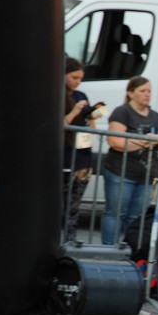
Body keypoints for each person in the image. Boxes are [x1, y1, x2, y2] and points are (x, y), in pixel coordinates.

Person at [102, 76, 158, 246]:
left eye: (149, 91)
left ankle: (129, 252)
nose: (147, 94)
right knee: (116, 213)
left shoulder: (156, 116)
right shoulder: (122, 112)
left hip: (147, 176)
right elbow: (116, 142)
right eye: (142, 91)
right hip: (121, 172)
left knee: (136, 217)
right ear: (130, 93)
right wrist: (145, 140)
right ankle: (108, 251)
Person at [63, 57, 98, 244]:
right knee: (61, 201)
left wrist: (92, 115)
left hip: (83, 153)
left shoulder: (81, 95)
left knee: (75, 203)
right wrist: (75, 111)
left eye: (80, 78)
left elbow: (91, 125)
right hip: (65, 155)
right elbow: (59, 124)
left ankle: (71, 239)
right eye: (74, 77)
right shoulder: (57, 95)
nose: (78, 82)